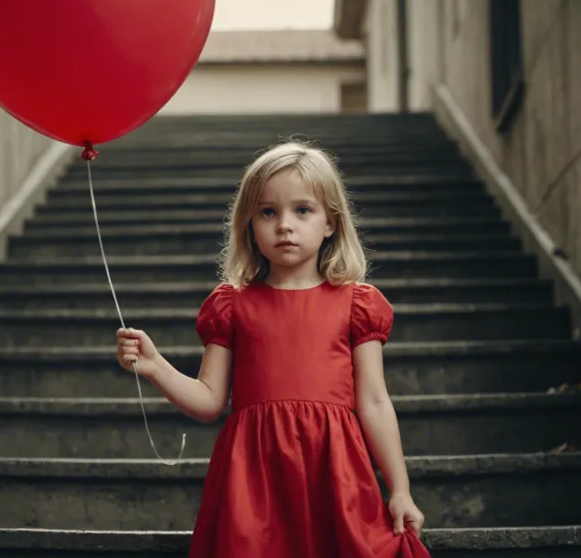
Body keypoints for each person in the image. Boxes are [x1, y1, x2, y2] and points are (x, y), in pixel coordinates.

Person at [115, 141, 431, 558]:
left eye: (303, 210)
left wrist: (400, 490)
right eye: (268, 211)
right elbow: (210, 401)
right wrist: (156, 366)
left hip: (333, 471)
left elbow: (373, 401)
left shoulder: (357, 304)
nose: (285, 225)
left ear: (331, 223)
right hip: (253, 477)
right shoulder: (232, 305)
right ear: (249, 224)